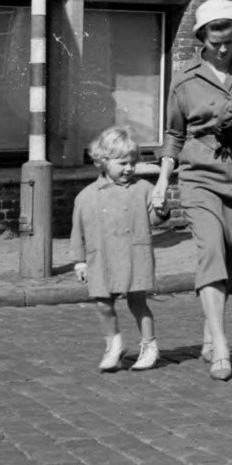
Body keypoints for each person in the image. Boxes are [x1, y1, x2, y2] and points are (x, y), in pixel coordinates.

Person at [153, 0, 232, 383]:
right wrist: (162, 182)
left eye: (229, 40)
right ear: (202, 37)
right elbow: (174, 135)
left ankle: (212, 328)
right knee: (210, 250)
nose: (223, 49)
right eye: (216, 41)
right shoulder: (185, 79)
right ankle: (222, 347)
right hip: (198, 176)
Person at [71, 126, 159, 372]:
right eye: (122, 163)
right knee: (103, 303)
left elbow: (155, 218)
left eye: (133, 163)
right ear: (103, 161)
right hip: (102, 258)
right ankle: (114, 344)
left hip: (134, 254)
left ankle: (149, 345)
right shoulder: (87, 196)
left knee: (138, 302)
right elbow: (78, 231)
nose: (129, 168)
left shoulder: (143, 189)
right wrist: (79, 261)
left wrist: (161, 208)